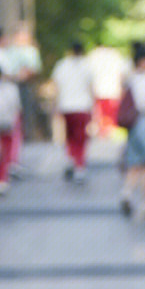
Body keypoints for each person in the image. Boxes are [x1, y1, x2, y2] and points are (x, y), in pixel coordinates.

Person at [117, 42, 145, 220]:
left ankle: (127, 193)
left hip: (132, 123)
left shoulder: (130, 78)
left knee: (134, 163)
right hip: (143, 121)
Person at [50, 40, 95, 182]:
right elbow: (91, 88)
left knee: (70, 136)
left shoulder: (62, 65)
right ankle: (79, 165)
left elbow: (56, 87)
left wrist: (55, 105)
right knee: (80, 137)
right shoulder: (86, 66)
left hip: (66, 106)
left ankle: (71, 159)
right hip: (82, 106)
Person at [0, 63, 21, 193]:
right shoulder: (10, 88)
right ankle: (2, 179)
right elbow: (15, 106)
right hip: (6, 123)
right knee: (4, 153)